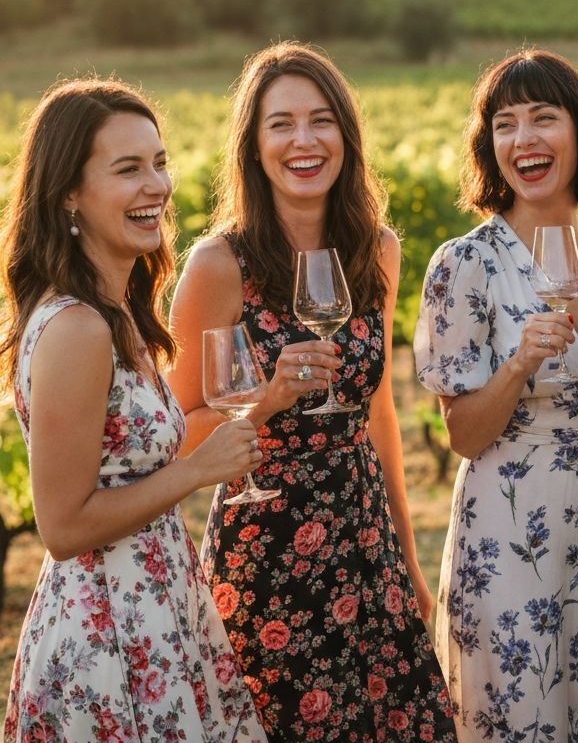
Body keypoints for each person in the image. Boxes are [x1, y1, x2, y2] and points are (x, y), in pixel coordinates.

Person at [166, 43, 456, 743]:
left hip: (365, 542)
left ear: (346, 138)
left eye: (321, 120)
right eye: (281, 124)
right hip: (264, 553)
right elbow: (172, 436)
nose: (304, 141)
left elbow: (378, 410)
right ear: (254, 145)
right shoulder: (217, 266)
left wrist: (408, 564)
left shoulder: (375, 250)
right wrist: (263, 400)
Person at [414, 49, 578, 742]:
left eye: (543, 118)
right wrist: (515, 366)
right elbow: (465, 436)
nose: (524, 139)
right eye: (505, 124)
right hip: (513, 528)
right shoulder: (462, 265)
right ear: (489, 144)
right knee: (527, 713)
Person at [0, 79, 266, 742]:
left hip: (154, 607)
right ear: (69, 194)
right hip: (106, 633)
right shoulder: (77, 329)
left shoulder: (115, 313)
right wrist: (196, 470)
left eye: (159, 162)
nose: (158, 185)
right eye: (128, 169)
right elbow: (62, 526)